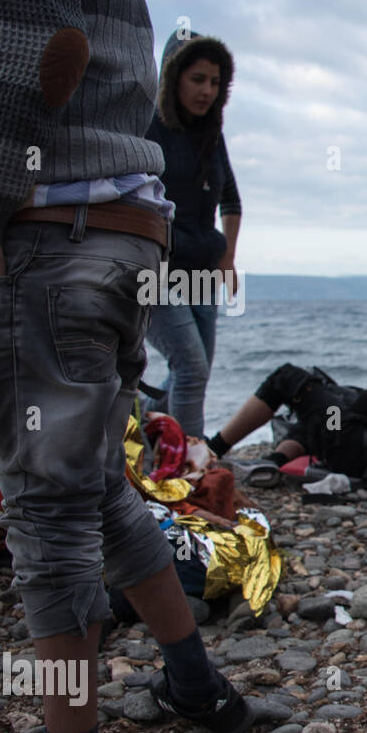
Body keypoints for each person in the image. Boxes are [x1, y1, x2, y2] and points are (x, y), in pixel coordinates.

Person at [0, 0, 251, 733]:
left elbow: (27, 56)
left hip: (44, 229)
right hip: (126, 231)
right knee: (98, 484)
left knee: (45, 506)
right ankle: (195, 683)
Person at [143, 30, 241, 439]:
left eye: (215, 82)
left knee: (194, 372)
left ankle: (144, 425)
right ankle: (190, 468)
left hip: (203, 268)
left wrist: (227, 260)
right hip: (155, 270)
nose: (207, 91)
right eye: (197, 79)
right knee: (190, 367)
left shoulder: (211, 135)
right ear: (174, 77)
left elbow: (231, 201)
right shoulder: (148, 128)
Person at [208, 364, 367, 484]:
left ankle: (213, 448)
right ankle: (275, 461)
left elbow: (366, 406)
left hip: (351, 449)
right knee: (325, 407)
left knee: (289, 379)